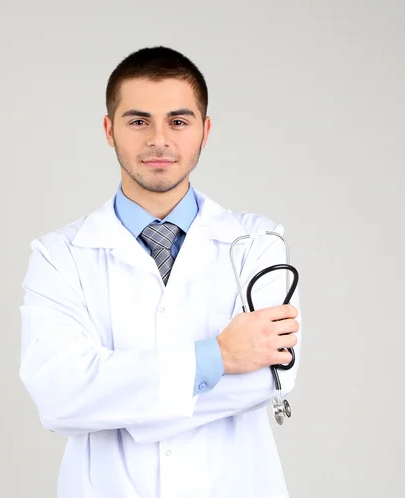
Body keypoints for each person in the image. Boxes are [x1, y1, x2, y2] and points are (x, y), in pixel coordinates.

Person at [19, 46, 302, 498]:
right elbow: (59, 396)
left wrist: (115, 400)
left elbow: (270, 377)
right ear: (109, 130)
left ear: (204, 130)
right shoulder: (59, 255)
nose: (158, 139)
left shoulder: (257, 243)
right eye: (138, 121)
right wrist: (218, 356)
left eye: (178, 120)